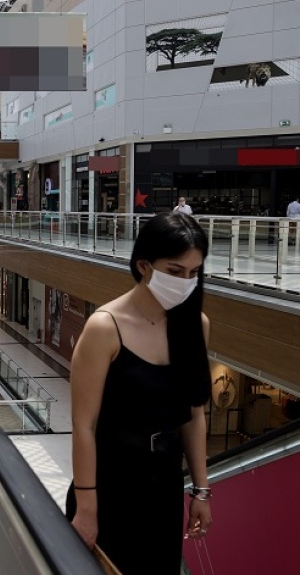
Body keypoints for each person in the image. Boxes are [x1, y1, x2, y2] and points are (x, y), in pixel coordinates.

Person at [67, 212, 213, 575]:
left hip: (163, 488)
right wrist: (87, 509)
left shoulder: (195, 325)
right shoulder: (105, 327)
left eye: (194, 273)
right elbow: (84, 426)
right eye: (175, 271)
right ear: (144, 265)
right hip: (110, 484)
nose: (186, 282)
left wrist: (201, 490)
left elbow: (194, 415)